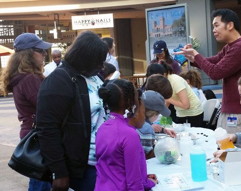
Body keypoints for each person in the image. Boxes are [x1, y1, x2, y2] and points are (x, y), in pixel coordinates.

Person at [36, 31, 108, 191]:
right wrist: (59, 172)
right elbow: (47, 129)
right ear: (85, 59)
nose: (102, 66)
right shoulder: (58, 80)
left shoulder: (95, 76)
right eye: (99, 62)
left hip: (105, 162)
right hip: (82, 168)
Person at [175, 9, 241, 133]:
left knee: (232, 151)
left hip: (238, 113)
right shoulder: (231, 46)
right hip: (232, 111)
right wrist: (192, 58)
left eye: (216, 25)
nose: (213, 30)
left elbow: (216, 72)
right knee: (225, 149)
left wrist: (196, 55)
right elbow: (213, 61)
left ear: (230, 25)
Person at [0, 33, 52, 190]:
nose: (44, 54)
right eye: (40, 50)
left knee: (39, 181)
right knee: (41, 183)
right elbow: (46, 107)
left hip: (32, 133)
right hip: (38, 136)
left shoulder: (23, 76)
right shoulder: (29, 79)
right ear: (28, 54)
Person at [95, 79, 157, 190]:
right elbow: (134, 184)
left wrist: (145, 180)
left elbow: (115, 167)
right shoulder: (129, 134)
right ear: (131, 102)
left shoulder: (102, 128)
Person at [160, 61, 204, 127]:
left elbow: (186, 105)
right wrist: (162, 114)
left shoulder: (175, 81)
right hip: (181, 113)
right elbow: (168, 100)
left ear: (164, 74)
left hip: (193, 113)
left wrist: (169, 99)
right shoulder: (165, 81)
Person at [138, 90, 176, 159]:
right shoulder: (146, 128)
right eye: (158, 113)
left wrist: (163, 130)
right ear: (151, 113)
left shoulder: (133, 118)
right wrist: (164, 149)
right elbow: (147, 155)